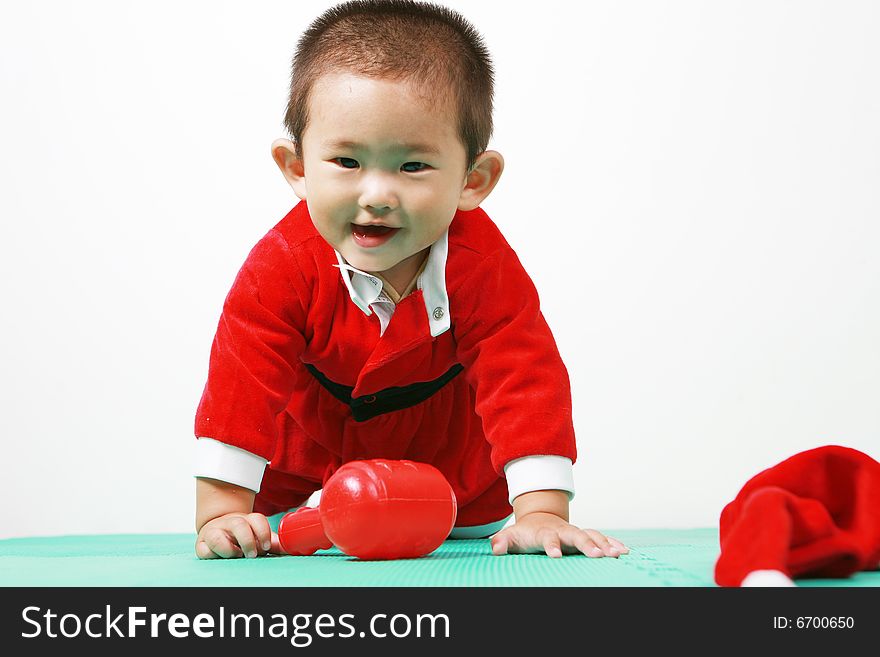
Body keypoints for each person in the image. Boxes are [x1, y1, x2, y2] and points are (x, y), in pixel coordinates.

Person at [193, 0, 629, 561]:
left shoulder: (484, 266)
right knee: (271, 538)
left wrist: (541, 512)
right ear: (297, 168)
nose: (376, 194)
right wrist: (224, 512)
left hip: (455, 489)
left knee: (475, 526)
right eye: (347, 162)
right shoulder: (279, 266)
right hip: (303, 481)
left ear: (473, 180)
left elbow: (523, 377)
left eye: (413, 166)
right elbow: (242, 385)